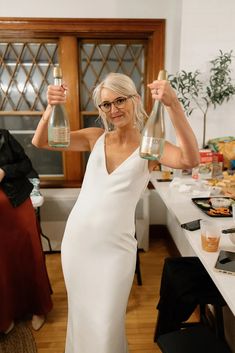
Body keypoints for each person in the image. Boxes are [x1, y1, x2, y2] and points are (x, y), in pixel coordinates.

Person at [32, 72, 199, 353]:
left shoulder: (150, 145)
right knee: (82, 318)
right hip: (78, 244)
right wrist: (50, 107)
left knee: (106, 324)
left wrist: (173, 105)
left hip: (115, 250)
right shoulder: (95, 137)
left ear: (134, 99)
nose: (114, 109)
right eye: (106, 105)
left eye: (120, 100)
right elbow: (42, 141)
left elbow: (189, 159)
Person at [0, 129, 53, 334]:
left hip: (17, 205)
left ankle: (38, 309)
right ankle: (6, 313)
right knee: (3, 264)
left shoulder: (3, 135)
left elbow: (26, 165)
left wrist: (4, 170)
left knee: (30, 256)